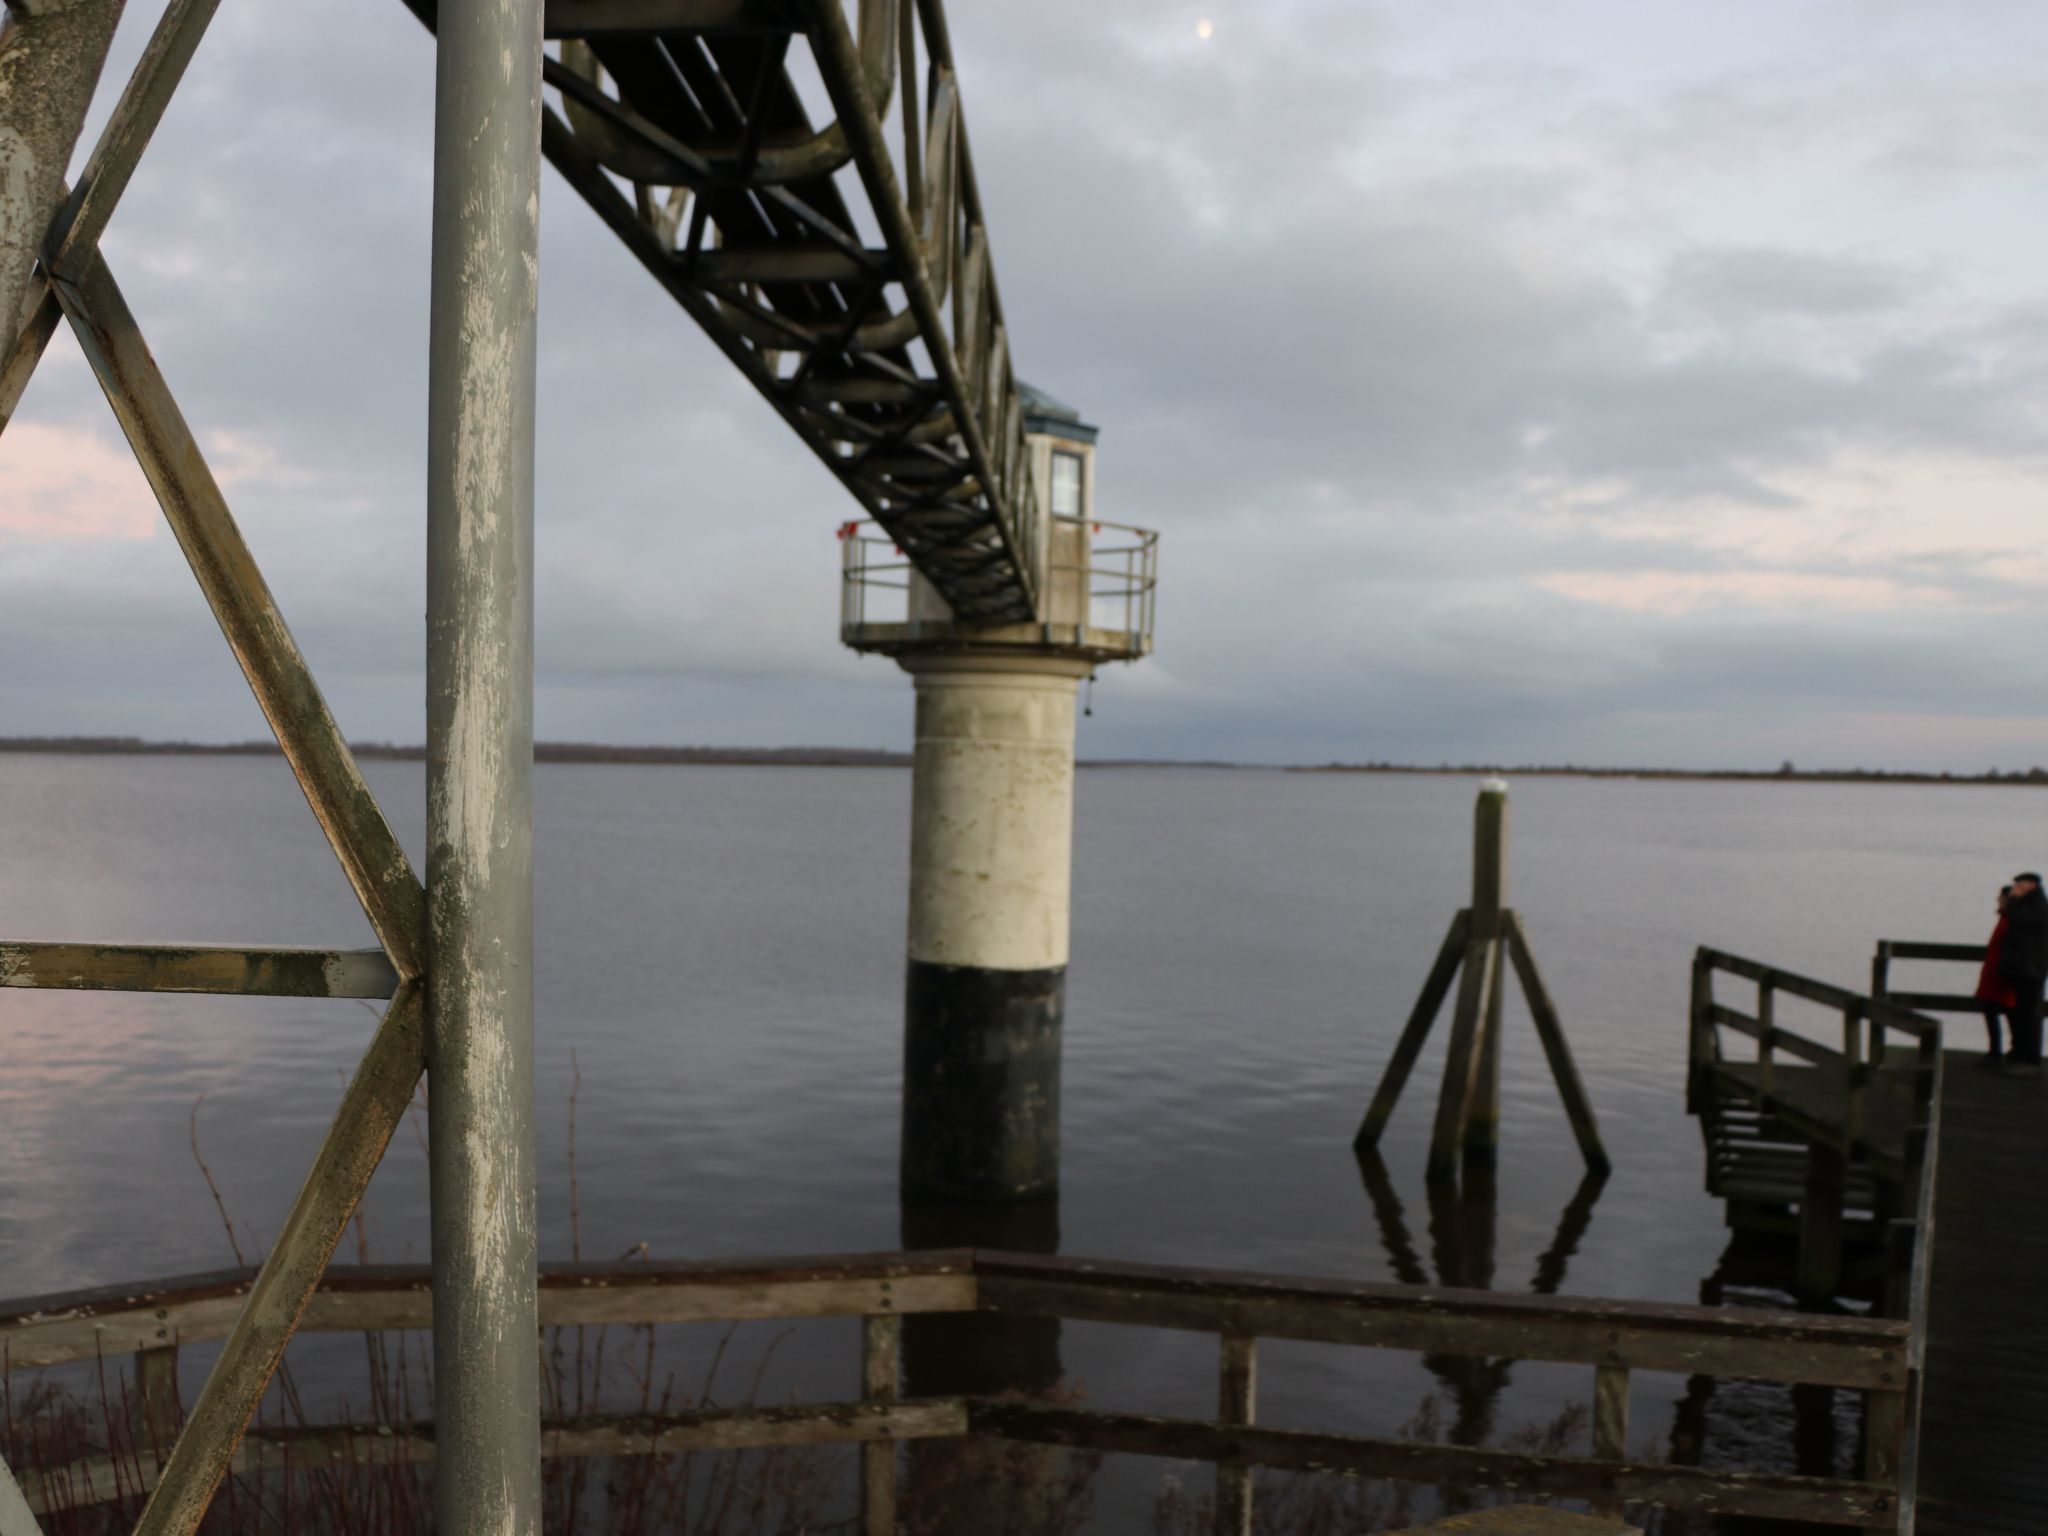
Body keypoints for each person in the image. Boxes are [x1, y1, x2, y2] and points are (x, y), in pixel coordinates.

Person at [1996, 871, 2048, 1078]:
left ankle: (2029, 1057)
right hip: (2024, 968)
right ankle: (2020, 1053)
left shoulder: (2037, 905)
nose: (2016, 887)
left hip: (2030, 969)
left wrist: (2013, 900)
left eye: (2021, 883)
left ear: (2032, 885)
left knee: (2029, 1014)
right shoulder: (2031, 904)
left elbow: (2018, 918)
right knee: (2021, 1012)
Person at [1975, 885, 2019, 1067]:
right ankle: (2001, 1051)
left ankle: (1998, 1052)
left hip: (2001, 974)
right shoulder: (2006, 918)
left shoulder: (2010, 920)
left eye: (2001, 897)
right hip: (1995, 973)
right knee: (1997, 1010)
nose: (1998, 900)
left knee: (1999, 1011)